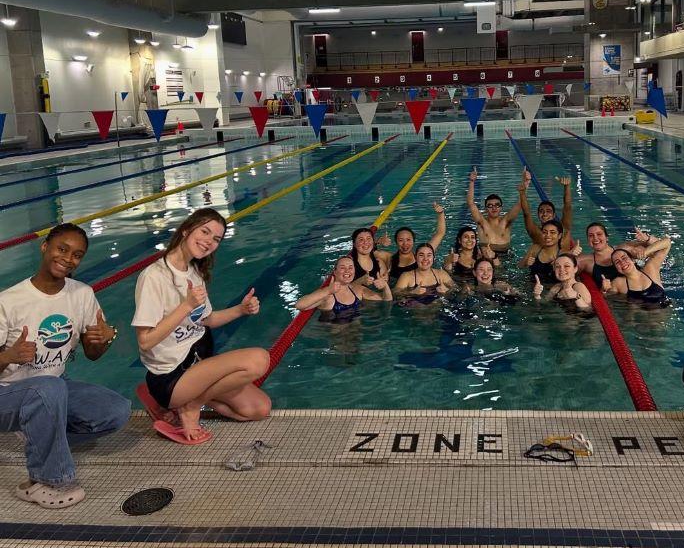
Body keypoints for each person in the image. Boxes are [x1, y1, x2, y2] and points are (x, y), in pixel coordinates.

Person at [0, 224, 130, 509]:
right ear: (44, 246)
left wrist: (107, 337)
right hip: (6, 393)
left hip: (53, 387)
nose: (68, 258)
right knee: (47, 387)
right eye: (62, 249)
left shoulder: (81, 294)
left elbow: (93, 352)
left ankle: (40, 433)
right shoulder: (9, 301)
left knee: (116, 411)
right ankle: (48, 481)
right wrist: (7, 356)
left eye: (77, 255)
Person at [132, 208, 271, 445]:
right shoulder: (154, 276)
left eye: (216, 238)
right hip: (171, 376)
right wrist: (186, 306)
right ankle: (189, 406)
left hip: (198, 366)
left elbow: (206, 320)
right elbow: (145, 341)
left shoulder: (194, 271)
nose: (209, 241)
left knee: (258, 408)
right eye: (205, 232)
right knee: (258, 359)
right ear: (186, 230)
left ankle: (185, 402)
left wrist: (241, 310)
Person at [295, 256, 392, 321]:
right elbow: (299, 305)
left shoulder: (358, 290)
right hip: (337, 340)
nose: (347, 271)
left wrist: (385, 287)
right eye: (342, 267)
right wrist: (327, 290)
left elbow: (386, 299)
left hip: (357, 334)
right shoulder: (327, 295)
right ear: (335, 271)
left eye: (350, 267)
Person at [374, 203, 446, 280]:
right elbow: (366, 251)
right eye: (401, 240)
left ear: (413, 241)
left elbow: (440, 233)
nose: (405, 244)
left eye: (408, 240)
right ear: (396, 242)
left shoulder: (422, 254)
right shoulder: (389, 258)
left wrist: (440, 214)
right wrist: (378, 241)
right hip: (399, 291)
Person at [600, 236, 672, 308]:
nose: (622, 263)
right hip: (640, 318)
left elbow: (667, 242)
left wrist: (646, 251)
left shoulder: (650, 269)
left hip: (664, 314)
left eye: (624, 258)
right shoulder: (618, 283)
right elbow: (606, 301)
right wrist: (604, 290)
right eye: (617, 262)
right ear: (617, 268)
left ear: (633, 260)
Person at [466, 167, 522, 254]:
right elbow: (471, 203)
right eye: (490, 206)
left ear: (501, 208)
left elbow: (520, 204)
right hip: (485, 256)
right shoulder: (482, 222)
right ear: (485, 209)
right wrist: (472, 182)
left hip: (505, 255)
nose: (494, 208)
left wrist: (524, 188)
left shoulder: (506, 221)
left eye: (497, 205)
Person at [577, 224, 652, 287]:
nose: (595, 238)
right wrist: (571, 253)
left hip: (644, 287)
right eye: (591, 235)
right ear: (588, 240)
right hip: (619, 299)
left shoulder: (624, 249)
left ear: (607, 237)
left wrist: (647, 239)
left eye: (599, 234)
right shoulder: (586, 261)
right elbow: (566, 270)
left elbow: (661, 247)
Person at [518, 169, 573, 247]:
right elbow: (526, 213)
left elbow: (567, 206)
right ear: (538, 215)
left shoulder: (564, 228)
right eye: (541, 211)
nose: (544, 214)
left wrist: (567, 186)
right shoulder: (535, 232)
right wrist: (522, 193)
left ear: (554, 215)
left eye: (548, 211)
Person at [519, 219, 580, 285]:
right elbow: (520, 266)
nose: (548, 235)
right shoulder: (536, 248)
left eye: (552, 232)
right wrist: (526, 263)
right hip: (531, 285)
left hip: (552, 288)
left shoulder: (563, 254)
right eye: (544, 232)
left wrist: (571, 254)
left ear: (559, 236)